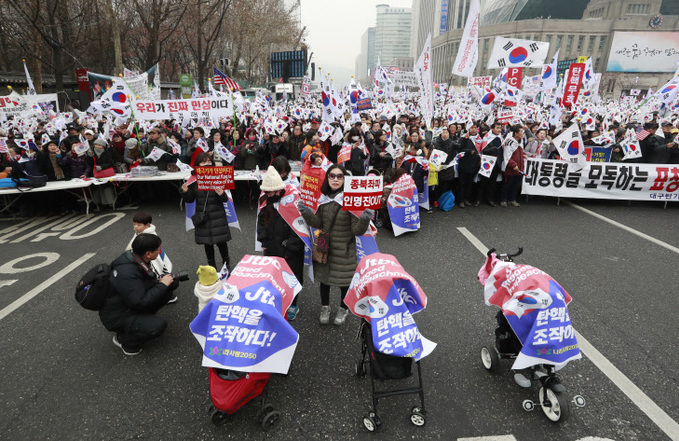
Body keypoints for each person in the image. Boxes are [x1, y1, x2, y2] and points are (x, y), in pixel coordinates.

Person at [297, 165, 373, 326]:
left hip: (344, 250)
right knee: (324, 282)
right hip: (325, 249)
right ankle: (325, 307)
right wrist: (306, 212)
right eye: (332, 176)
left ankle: (343, 309)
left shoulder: (350, 200)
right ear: (327, 178)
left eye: (340, 176)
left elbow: (356, 230)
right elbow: (317, 223)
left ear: (345, 179)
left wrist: (365, 219)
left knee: (344, 284)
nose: (336, 179)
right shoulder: (323, 199)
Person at [100, 233, 178, 356]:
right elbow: (139, 302)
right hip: (117, 315)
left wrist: (164, 283)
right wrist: (162, 285)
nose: (159, 252)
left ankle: (144, 318)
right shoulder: (127, 272)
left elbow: (143, 284)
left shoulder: (134, 257)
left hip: (128, 302)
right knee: (158, 326)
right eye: (158, 249)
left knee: (170, 286)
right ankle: (125, 341)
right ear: (148, 253)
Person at [257, 166, 305, 320]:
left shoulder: (294, 199)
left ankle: (293, 304)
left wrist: (290, 245)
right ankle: (278, 303)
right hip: (272, 247)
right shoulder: (267, 201)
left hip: (291, 249)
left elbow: (299, 226)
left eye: (270, 192)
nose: (268, 195)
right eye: (266, 192)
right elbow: (261, 222)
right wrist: (263, 239)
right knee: (274, 278)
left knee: (293, 277)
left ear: (278, 190)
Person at [181, 152, 232, 270]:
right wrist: (184, 192)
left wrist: (222, 194)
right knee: (207, 243)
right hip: (202, 216)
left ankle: (226, 264)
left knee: (222, 242)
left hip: (217, 214)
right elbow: (189, 200)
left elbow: (225, 200)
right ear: (198, 165)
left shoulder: (218, 177)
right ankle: (212, 267)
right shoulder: (193, 180)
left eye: (209, 162)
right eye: (204, 162)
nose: (207, 164)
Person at [126, 212, 173, 277]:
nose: (135, 227)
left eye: (139, 225)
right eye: (134, 224)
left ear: (147, 225)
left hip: (149, 256)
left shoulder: (149, 236)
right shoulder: (140, 232)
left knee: (157, 266)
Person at [500, 125, 526, 207]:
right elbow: (507, 156)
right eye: (521, 132)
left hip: (520, 168)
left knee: (516, 185)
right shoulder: (509, 142)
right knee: (507, 184)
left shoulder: (521, 141)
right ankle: (503, 199)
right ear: (516, 133)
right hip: (510, 168)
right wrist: (513, 165)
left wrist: (524, 155)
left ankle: (512, 199)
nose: (523, 133)